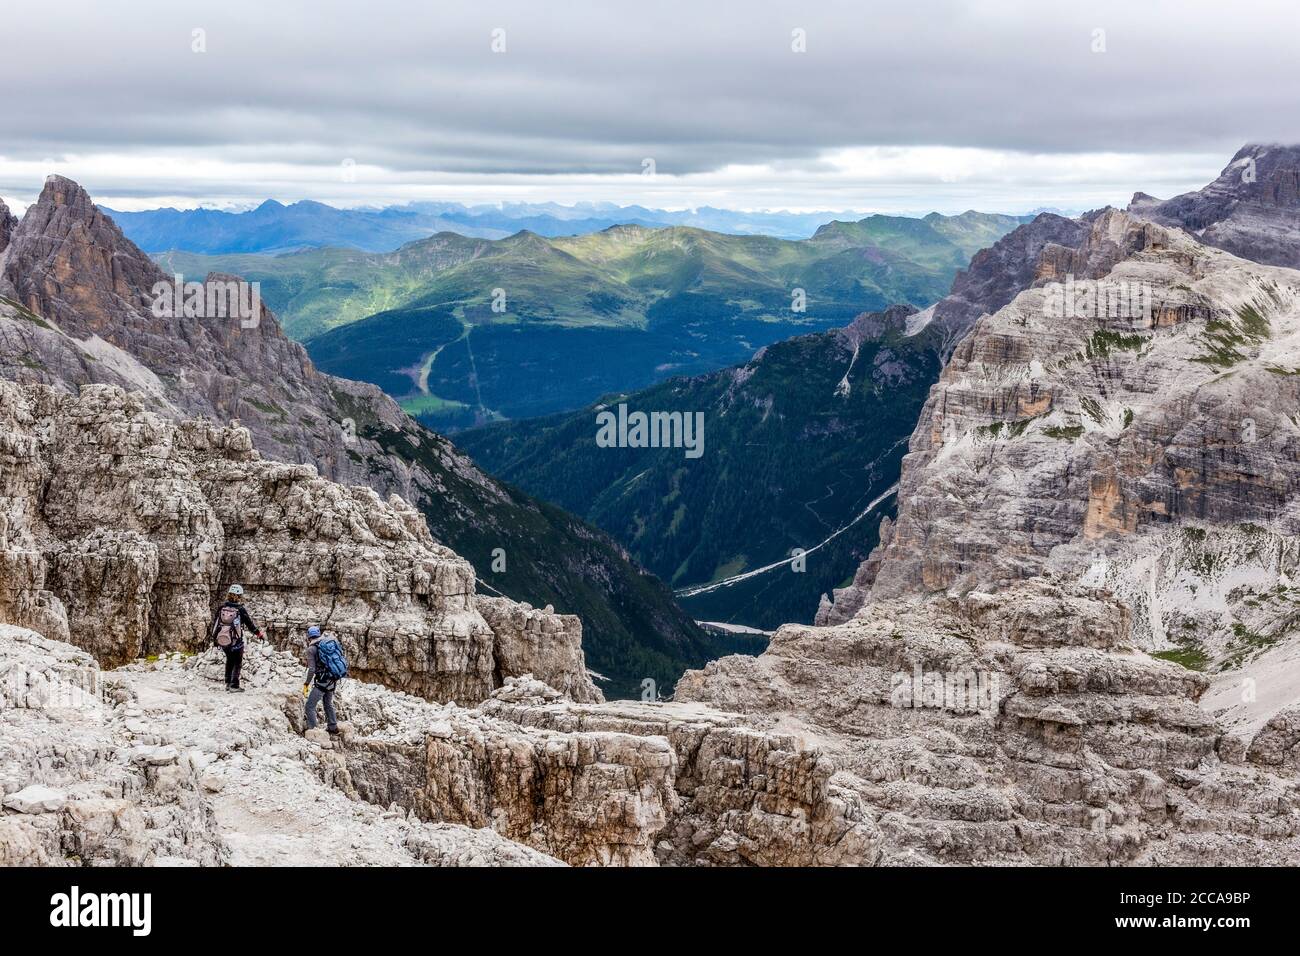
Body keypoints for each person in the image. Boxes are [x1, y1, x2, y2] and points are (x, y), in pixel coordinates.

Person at [209, 584, 263, 693]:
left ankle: (228, 683)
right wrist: (258, 634)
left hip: (223, 640)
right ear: (239, 596)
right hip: (236, 641)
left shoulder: (222, 607)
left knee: (229, 660)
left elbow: (215, 623)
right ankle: (234, 685)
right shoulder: (240, 609)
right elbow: (249, 624)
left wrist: (214, 638)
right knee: (237, 662)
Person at [302, 625, 341, 735]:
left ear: (309, 636)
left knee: (309, 706)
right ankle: (333, 727)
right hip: (333, 678)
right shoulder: (325, 644)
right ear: (318, 634)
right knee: (328, 703)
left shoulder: (311, 649)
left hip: (322, 681)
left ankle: (314, 731)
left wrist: (306, 683)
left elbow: (312, 669)